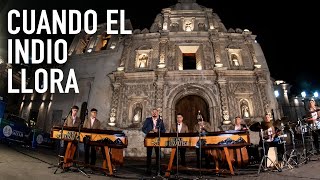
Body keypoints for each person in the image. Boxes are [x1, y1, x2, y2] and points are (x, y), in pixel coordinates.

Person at [142, 108, 166, 175]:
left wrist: (158, 131)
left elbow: (163, 130)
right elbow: (143, 129)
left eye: (155, 112)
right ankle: (148, 170)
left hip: (158, 139)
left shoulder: (160, 121)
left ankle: (158, 170)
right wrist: (150, 131)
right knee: (149, 155)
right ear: (151, 113)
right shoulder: (148, 120)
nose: (154, 113)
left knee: (158, 155)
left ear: (157, 113)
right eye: (153, 112)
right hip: (149, 139)